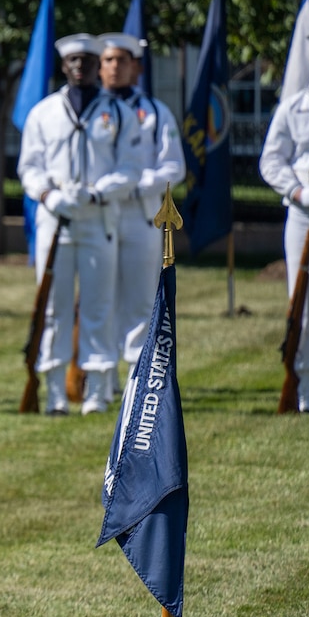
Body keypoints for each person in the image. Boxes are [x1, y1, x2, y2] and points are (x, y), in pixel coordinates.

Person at [18, 33, 138, 415]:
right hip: (55, 221)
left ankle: (98, 387)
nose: (81, 67)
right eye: (74, 61)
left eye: (88, 60)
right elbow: (29, 167)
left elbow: (130, 168)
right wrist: (48, 195)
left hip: (97, 217)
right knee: (53, 308)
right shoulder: (44, 112)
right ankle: (54, 388)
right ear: (64, 65)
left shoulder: (117, 112)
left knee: (98, 305)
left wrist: (98, 191)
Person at [100, 33, 185, 384]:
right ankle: (101, 376)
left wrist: (134, 184)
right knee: (100, 296)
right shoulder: (91, 110)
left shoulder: (154, 112)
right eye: (108, 60)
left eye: (123, 60)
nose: (115, 67)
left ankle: (136, 376)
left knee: (138, 299)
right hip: (100, 214)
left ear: (137, 67)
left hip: (139, 215)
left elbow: (173, 167)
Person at [258, 44, 309, 410]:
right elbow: (270, 161)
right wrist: (298, 190)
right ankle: (307, 387)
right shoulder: (293, 108)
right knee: (305, 304)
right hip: (305, 215)